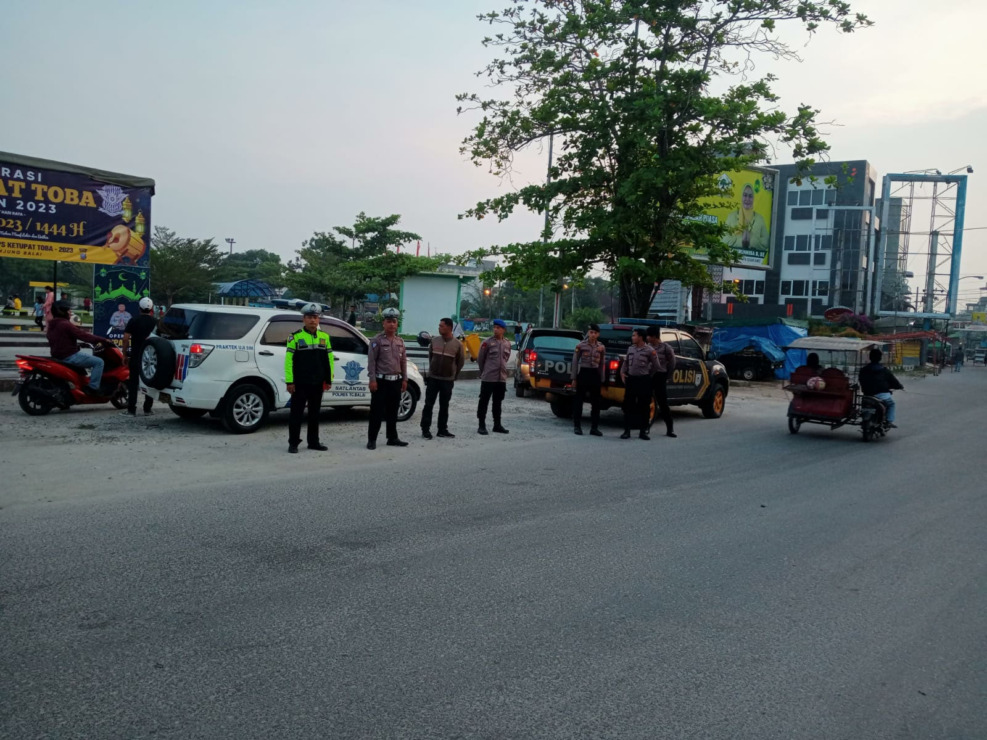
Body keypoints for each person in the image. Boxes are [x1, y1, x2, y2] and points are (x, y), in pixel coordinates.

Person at [285, 303, 334, 453]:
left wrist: (328, 379)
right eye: (309, 317)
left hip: (317, 383)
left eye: (315, 317)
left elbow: (329, 360)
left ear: (318, 319)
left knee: (314, 414)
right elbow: (288, 361)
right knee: (296, 415)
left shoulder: (324, 337)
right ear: (304, 319)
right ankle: (293, 443)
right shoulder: (295, 337)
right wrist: (289, 381)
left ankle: (313, 442)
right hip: (300, 384)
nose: (313, 320)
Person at [46, 300, 115, 394]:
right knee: (99, 362)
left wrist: (77, 345)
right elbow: (84, 336)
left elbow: (60, 339)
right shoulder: (65, 324)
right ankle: (93, 388)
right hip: (69, 356)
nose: (70, 313)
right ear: (62, 311)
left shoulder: (52, 325)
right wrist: (103, 340)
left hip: (57, 355)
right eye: (69, 310)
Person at [367, 307, 408, 449]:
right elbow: (371, 362)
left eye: (394, 322)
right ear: (383, 323)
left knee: (392, 411)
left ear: (397, 324)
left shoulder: (400, 341)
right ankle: (372, 439)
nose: (391, 324)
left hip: (395, 381)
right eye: (389, 321)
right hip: (381, 381)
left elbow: (403, 362)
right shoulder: (376, 340)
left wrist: (404, 379)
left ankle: (392, 437)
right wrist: (372, 380)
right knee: (376, 412)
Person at [421, 317, 465, 440]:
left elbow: (460, 362)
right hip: (433, 379)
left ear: (449, 327)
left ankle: (442, 429)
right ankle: (425, 429)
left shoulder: (457, 344)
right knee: (428, 404)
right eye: (439, 325)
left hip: (447, 380)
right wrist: (432, 371)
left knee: (444, 406)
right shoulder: (434, 341)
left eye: (442, 326)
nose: (439, 328)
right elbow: (431, 358)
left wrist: (453, 375)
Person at [120, 297, 158, 417]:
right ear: (151, 308)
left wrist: (124, 354)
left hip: (136, 356)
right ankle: (147, 409)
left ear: (139, 308)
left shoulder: (133, 320)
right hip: (150, 358)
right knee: (149, 382)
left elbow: (126, 338)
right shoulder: (155, 322)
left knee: (133, 383)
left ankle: (131, 410)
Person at [620, 328, 660, 440]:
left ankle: (643, 431)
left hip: (643, 381)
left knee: (644, 406)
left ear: (640, 337)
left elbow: (656, 366)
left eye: (634, 335)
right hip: (631, 380)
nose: (632, 337)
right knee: (628, 405)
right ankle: (627, 431)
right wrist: (622, 372)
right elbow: (626, 362)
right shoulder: (630, 349)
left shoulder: (649, 350)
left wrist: (647, 375)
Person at [476, 318, 512, 435]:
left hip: (501, 378)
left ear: (503, 330)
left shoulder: (507, 343)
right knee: (484, 401)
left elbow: (506, 358)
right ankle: (481, 425)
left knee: (498, 402)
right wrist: (484, 372)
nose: (495, 330)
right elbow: (480, 359)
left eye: (498, 328)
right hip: (488, 377)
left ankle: (497, 424)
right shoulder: (487, 342)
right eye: (494, 327)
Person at [571, 323, 606, 436]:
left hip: (595, 375)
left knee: (596, 403)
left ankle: (594, 428)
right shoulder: (581, 345)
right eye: (591, 332)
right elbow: (575, 362)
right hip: (584, 374)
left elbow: (602, 363)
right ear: (588, 333)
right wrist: (574, 378)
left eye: (595, 333)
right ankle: (577, 426)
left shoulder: (601, 347)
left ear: (598, 334)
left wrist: (602, 378)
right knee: (579, 401)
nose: (592, 335)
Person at [858, 348, 903, 427]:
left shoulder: (863, 370)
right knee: (891, 404)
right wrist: (899, 386)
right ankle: (889, 421)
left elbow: (861, 380)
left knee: (864, 404)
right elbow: (894, 382)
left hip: (867, 395)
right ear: (880, 358)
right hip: (881, 396)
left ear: (870, 357)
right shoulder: (884, 370)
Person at [646, 325, 677, 438]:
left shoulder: (665, 348)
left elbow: (672, 363)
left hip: (660, 376)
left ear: (654, 336)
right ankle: (646, 427)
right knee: (646, 402)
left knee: (663, 403)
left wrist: (666, 376)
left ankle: (670, 428)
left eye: (649, 336)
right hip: (649, 376)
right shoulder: (647, 347)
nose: (647, 338)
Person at [724, 183, 769, 255]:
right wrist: (741, 241)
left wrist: (751, 241)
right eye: (745, 195)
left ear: (753, 198)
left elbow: (766, 242)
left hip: (753, 262)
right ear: (741, 197)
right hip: (732, 260)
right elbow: (724, 238)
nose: (747, 199)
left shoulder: (760, 219)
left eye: (750, 196)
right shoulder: (731, 217)